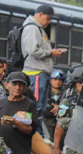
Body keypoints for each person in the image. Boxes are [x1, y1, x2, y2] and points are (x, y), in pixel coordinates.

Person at [21, 4, 67, 133]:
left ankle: (38, 134)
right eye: (48, 18)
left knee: (39, 107)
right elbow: (32, 50)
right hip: (35, 72)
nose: (49, 21)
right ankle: (35, 134)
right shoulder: (32, 28)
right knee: (36, 106)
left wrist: (52, 52)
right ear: (40, 15)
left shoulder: (38, 28)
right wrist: (51, 52)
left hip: (40, 73)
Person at [42, 69, 65, 139]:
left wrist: (60, 107)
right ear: (50, 80)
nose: (57, 82)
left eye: (60, 80)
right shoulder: (44, 92)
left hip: (59, 122)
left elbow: (69, 105)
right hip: (46, 120)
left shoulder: (66, 93)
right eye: (55, 79)